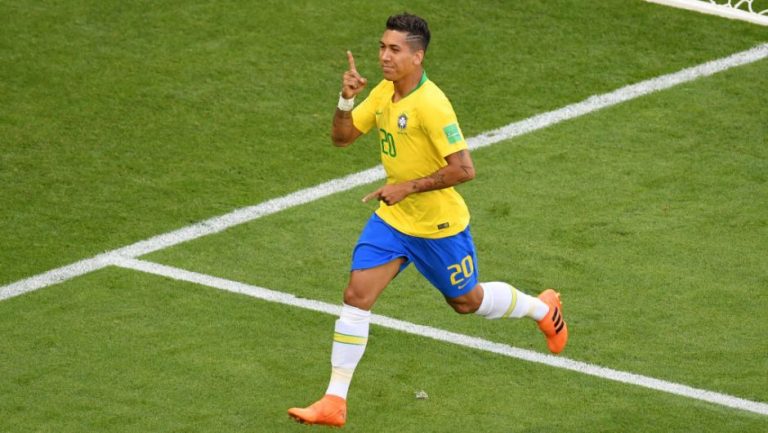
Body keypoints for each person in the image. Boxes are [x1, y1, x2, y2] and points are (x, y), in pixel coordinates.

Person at [288, 13, 568, 427]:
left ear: (417, 57)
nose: (384, 56)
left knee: (465, 301)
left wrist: (408, 187)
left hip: (439, 227)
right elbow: (342, 138)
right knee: (356, 296)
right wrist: (345, 99)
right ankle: (334, 401)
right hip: (393, 220)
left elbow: (464, 169)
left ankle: (541, 309)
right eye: (382, 47)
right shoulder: (384, 93)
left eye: (394, 49)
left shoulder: (432, 105)